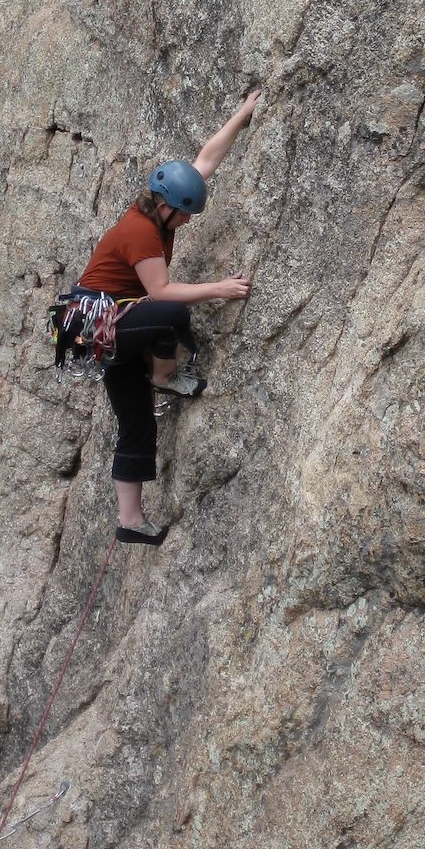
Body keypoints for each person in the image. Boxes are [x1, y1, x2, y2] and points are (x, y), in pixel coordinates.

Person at [74, 91, 259, 545]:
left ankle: (130, 520)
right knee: (173, 310)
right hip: (96, 323)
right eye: (185, 216)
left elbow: (206, 159)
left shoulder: (164, 207)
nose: (188, 223)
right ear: (165, 206)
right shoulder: (140, 232)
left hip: (114, 323)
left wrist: (243, 113)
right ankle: (164, 375)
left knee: (137, 421)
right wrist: (220, 289)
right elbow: (160, 292)